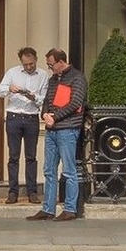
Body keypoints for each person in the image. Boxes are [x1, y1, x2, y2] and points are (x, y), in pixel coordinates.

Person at [33, 45, 85, 222]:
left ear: (61, 62)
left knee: (69, 170)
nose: (50, 68)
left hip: (68, 129)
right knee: (49, 170)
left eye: (51, 65)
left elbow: (75, 103)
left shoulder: (77, 77)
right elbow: (47, 100)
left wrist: (54, 117)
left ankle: (70, 209)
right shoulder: (53, 79)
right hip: (52, 129)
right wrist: (45, 115)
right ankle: (48, 209)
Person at [0, 44, 48, 207]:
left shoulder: (43, 75)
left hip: (31, 117)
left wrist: (33, 97)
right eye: (25, 64)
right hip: (14, 117)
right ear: (21, 62)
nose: (29, 67)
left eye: (31, 64)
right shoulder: (12, 72)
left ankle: (32, 192)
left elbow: (44, 99)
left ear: (36, 59)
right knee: (13, 156)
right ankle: (13, 192)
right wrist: (10, 88)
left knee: (31, 156)